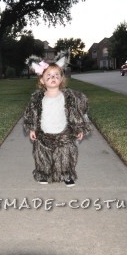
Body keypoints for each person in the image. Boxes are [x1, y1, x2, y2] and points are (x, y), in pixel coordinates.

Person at [23, 55, 91, 187]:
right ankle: (44, 174)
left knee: (65, 156)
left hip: (64, 133)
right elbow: (31, 114)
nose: (52, 78)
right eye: (48, 75)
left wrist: (79, 128)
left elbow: (75, 113)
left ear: (61, 79)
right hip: (43, 134)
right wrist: (32, 128)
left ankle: (66, 174)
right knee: (43, 156)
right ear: (42, 81)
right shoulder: (37, 98)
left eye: (56, 75)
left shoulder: (69, 97)